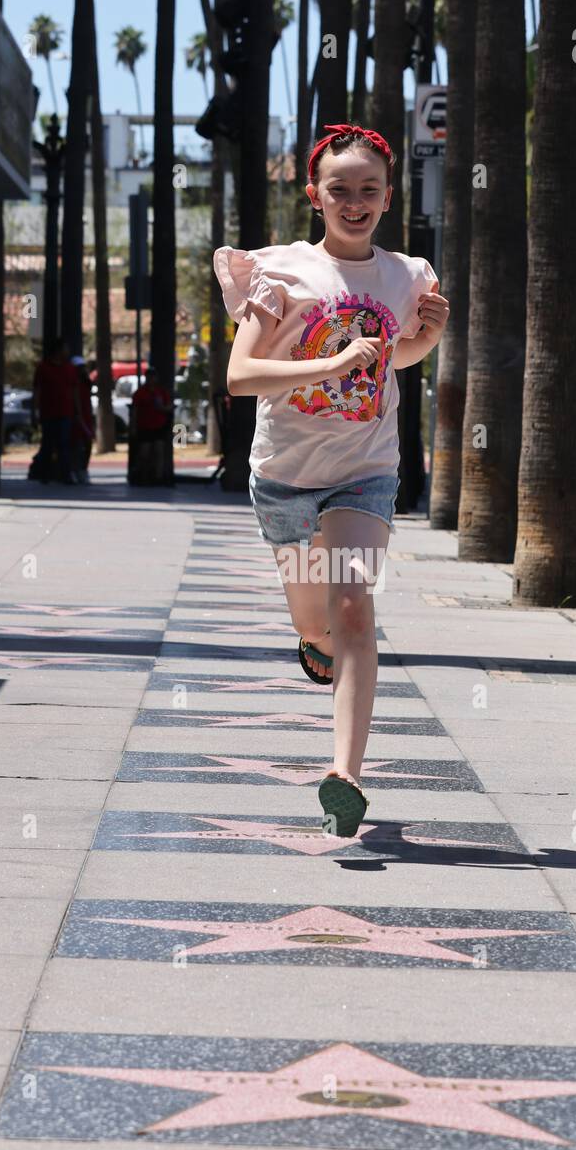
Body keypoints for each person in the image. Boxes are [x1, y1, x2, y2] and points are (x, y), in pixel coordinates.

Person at [213, 122, 450, 837]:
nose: (355, 202)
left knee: (352, 609)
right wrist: (329, 364)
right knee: (315, 621)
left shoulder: (406, 275)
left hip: (364, 471)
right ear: (314, 195)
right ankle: (311, 644)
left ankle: (345, 774)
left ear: (386, 198)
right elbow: (241, 375)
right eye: (339, 190)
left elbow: (391, 360)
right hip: (285, 476)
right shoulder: (281, 273)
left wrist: (427, 338)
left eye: (368, 190)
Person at [32, 338, 78, 484]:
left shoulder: (70, 368)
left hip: (65, 412)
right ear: (58, 350)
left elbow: (74, 391)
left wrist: (77, 411)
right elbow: (37, 391)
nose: (68, 352)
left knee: (64, 444)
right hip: (48, 413)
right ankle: (44, 474)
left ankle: (65, 474)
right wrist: (35, 411)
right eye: (65, 348)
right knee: (47, 444)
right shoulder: (43, 368)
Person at [130, 365, 173, 485]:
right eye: (149, 377)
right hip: (144, 427)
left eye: (153, 377)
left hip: (159, 426)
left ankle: (158, 477)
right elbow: (134, 411)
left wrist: (162, 407)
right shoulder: (140, 393)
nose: (151, 379)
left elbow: (169, 407)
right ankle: (144, 476)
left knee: (159, 451)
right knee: (144, 453)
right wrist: (133, 427)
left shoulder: (162, 392)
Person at [70, 355, 94, 483]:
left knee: (88, 443)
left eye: (82, 367)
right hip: (76, 417)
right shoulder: (71, 382)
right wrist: (77, 414)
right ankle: (74, 470)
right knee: (76, 445)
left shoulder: (85, 382)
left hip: (87, 416)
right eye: (78, 367)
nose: (81, 370)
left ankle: (83, 469)